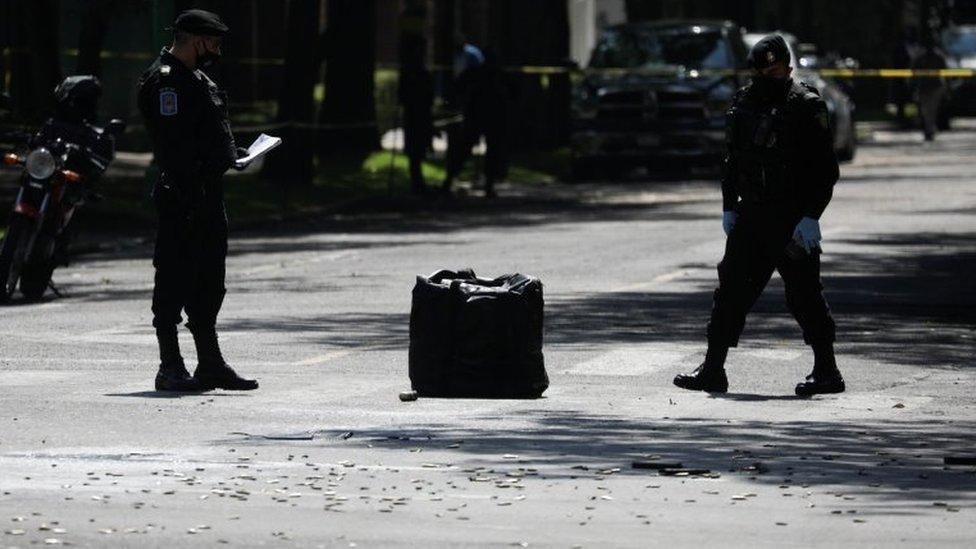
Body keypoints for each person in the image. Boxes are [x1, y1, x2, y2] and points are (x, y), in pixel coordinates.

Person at [673, 35, 843, 397]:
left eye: (778, 69)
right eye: (764, 70)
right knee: (730, 291)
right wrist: (727, 206)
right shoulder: (743, 103)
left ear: (789, 68)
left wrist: (812, 216)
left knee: (805, 295)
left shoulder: (806, 106)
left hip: (791, 219)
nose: (772, 75)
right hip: (751, 217)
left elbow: (825, 170)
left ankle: (827, 371)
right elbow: (732, 160)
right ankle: (713, 369)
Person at [136, 9, 258, 392]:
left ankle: (210, 364)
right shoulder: (166, 82)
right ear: (192, 38)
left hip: (207, 194)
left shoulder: (197, 79)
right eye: (213, 41)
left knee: (210, 281)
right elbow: (175, 146)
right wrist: (211, 163)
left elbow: (205, 134)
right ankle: (169, 366)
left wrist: (232, 154)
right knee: (173, 277)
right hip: (182, 195)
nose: (217, 49)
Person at [442, 39, 507, 198]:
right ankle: (486, 184)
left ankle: (451, 180)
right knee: (482, 150)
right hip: (485, 116)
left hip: (478, 116)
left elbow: (457, 87)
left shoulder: (480, 73)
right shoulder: (495, 75)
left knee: (468, 149)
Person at [397, 3, 434, 195]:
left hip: (419, 112)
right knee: (415, 146)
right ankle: (416, 182)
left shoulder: (419, 73)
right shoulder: (414, 71)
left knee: (418, 147)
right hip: (416, 112)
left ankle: (417, 181)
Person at [912, 33, 948, 142]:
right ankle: (929, 129)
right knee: (926, 110)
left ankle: (929, 130)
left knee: (931, 110)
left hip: (935, 87)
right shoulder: (920, 57)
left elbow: (945, 71)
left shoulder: (938, 56)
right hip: (924, 87)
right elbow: (914, 72)